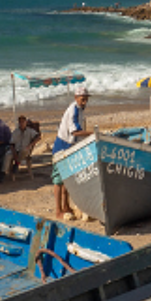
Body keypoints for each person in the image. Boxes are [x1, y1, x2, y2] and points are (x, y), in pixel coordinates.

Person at [54, 90, 95, 220]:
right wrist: (92, 133)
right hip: (62, 146)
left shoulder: (80, 110)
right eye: (83, 99)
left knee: (67, 179)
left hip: (71, 147)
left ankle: (66, 206)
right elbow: (75, 132)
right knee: (58, 180)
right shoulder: (74, 110)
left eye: (86, 99)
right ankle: (58, 210)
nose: (85, 102)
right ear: (76, 98)